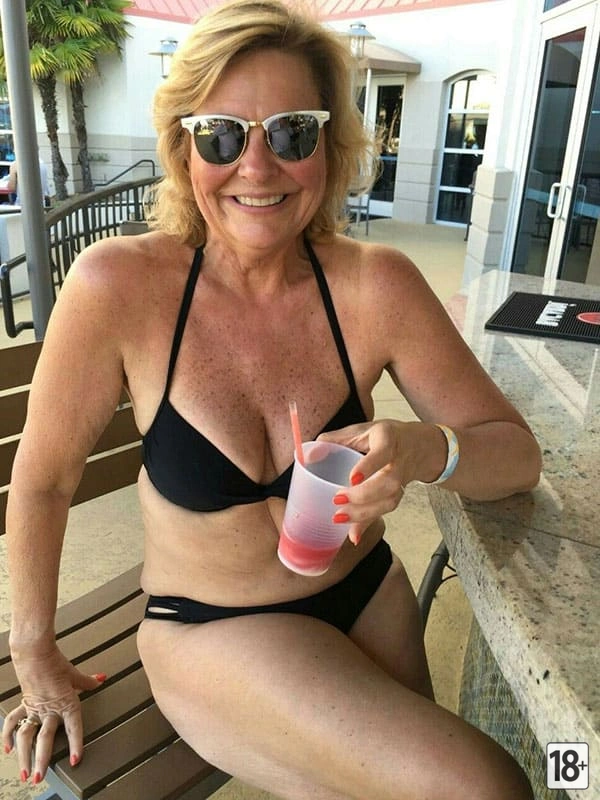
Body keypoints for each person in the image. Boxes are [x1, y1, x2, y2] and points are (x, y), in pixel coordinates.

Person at [2, 1, 542, 797]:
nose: (256, 167)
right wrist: (34, 653)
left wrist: (427, 448)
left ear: (330, 145)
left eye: (291, 132)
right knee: (484, 784)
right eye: (221, 135)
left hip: (365, 592)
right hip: (214, 626)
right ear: (183, 146)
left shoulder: (376, 286)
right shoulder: (119, 286)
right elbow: (43, 482)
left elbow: (517, 457)